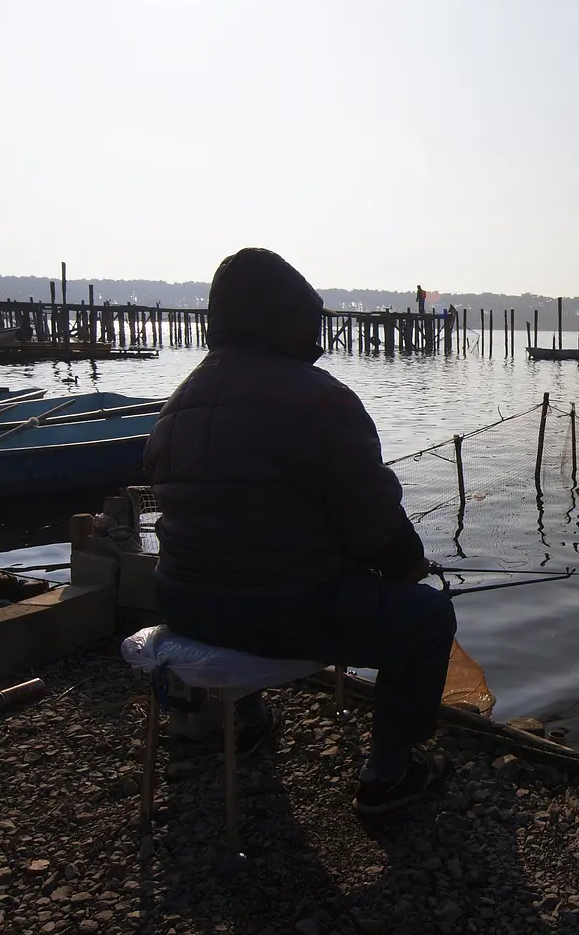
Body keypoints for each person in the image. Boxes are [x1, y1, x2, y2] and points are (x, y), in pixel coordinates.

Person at [144, 247, 456, 814]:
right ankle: (390, 772)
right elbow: (374, 525)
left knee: (250, 565)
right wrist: (409, 569)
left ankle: (246, 718)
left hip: (182, 606)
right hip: (280, 613)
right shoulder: (321, 400)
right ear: (277, 319)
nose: (318, 337)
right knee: (427, 617)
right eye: (308, 320)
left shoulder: (176, 403)